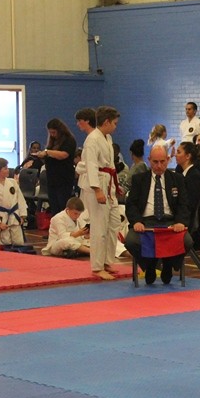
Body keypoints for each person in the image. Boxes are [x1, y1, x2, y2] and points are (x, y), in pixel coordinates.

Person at [125, 144, 192, 285]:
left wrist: (180, 222)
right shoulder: (139, 179)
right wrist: (136, 221)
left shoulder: (177, 179)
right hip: (146, 223)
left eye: (162, 162)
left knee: (187, 241)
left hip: (170, 223)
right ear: (149, 160)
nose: (159, 166)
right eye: (155, 162)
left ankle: (168, 264)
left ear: (168, 159)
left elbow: (184, 204)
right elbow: (131, 205)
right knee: (131, 241)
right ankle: (149, 265)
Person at [82, 106, 123, 280]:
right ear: (106, 122)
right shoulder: (92, 139)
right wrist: (97, 189)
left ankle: (107, 261)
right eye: (114, 123)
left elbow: (111, 166)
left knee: (113, 224)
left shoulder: (108, 138)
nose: (115, 126)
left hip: (109, 183)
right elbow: (91, 166)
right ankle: (97, 267)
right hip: (97, 185)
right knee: (99, 228)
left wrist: (117, 184)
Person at [35, 118, 76, 214]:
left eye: (53, 132)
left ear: (60, 130)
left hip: (63, 178)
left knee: (62, 203)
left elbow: (63, 155)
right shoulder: (52, 141)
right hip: (52, 178)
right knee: (54, 205)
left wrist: (47, 152)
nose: (52, 135)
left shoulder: (69, 140)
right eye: (50, 133)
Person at [0, 157, 27, 246]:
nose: (8, 170)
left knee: (18, 242)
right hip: (2, 218)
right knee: (5, 242)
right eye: (5, 168)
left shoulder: (13, 182)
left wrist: (22, 215)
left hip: (14, 215)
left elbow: (20, 199)